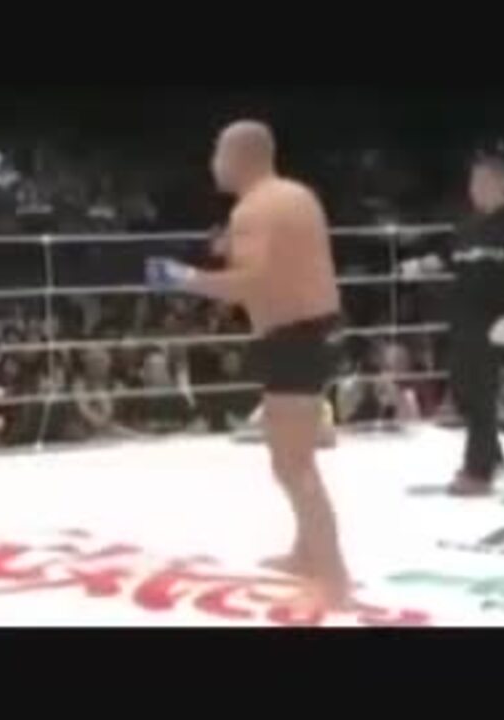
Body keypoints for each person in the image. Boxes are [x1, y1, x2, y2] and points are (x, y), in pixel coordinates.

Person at [145, 120, 349, 611]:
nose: (213, 162)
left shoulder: (252, 209)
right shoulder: (297, 195)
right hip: (318, 330)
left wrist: (184, 277)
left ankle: (333, 579)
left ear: (241, 157)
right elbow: (288, 262)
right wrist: (230, 250)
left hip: (293, 337)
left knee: (292, 464)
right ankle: (306, 552)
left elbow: (251, 283)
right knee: (296, 456)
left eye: (219, 152)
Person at [401, 155, 504, 496]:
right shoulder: (467, 226)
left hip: (497, 322)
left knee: (481, 394)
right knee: (463, 392)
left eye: (481, 182)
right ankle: (491, 455)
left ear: (502, 184)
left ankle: (478, 471)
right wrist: (418, 265)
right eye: (472, 182)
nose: (474, 189)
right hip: (463, 321)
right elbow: (447, 257)